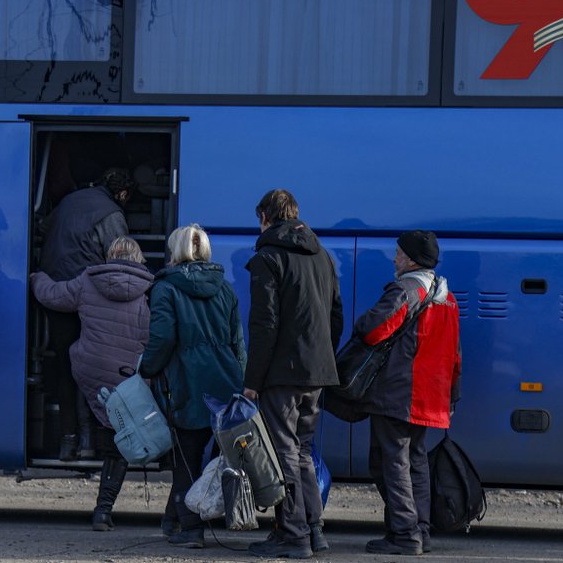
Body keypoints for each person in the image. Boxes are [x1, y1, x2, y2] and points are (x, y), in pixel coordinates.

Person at [242, 189, 343, 559]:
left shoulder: (268, 259)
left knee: (282, 450)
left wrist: (253, 381)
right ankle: (314, 528)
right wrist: (322, 357)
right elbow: (336, 315)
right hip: (317, 371)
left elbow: (264, 324)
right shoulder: (323, 257)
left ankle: (294, 534)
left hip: (282, 373)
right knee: (302, 449)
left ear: (266, 217)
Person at [30, 236, 153, 531]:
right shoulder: (148, 289)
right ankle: (103, 510)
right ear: (139, 258)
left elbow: (53, 296)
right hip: (127, 376)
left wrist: (37, 276)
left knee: (85, 385)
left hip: (90, 369)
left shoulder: (88, 280)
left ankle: (84, 440)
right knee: (117, 438)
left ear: (109, 255)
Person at [352, 230, 461, 556]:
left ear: (411, 259)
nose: (394, 258)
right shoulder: (447, 297)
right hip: (429, 396)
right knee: (415, 462)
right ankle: (420, 531)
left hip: (400, 393)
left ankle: (404, 533)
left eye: (398, 253)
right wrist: (452, 395)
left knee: (390, 462)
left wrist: (361, 322)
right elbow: (456, 355)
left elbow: (373, 331)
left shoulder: (407, 290)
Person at [139, 224, 247, 549]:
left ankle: (191, 530)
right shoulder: (225, 289)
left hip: (186, 382)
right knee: (220, 457)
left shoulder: (165, 288)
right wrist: (241, 384)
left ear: (175, 251)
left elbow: (162, 338)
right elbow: (237, 343)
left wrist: (146, 369)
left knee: (185, 457)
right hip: (226, 383)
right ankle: (178, 520)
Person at [38, 167, 135, 461]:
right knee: (93, 372)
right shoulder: (112, 214)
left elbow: (44, 228)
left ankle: (68, 442)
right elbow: (120, 258)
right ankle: (91, 441)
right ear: (123, 194)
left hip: (56, 297)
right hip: (90, 302)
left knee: (67, 369)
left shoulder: (69, 200)